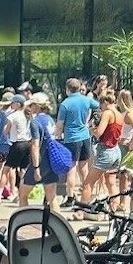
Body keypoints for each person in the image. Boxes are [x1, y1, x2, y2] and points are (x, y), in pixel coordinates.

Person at [57, 77, 97, 206]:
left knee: (71, 168)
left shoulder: (65, 104)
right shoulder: (86, 100)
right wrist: (92, 123)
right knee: (84, 167)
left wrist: (58, 136)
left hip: (71, 138)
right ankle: (87, 194)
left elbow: (60, 124)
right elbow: (98, 106)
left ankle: (70, 197)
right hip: (85, 136)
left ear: (67, 89)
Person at [0, 94, 31, 201]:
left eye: (12, 103)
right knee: (23, 170)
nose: (11, 104)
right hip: (26, 144)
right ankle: (23, 192)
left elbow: (6, 131)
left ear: (17, 104)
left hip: (17, 144)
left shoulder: (13, 116)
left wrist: (4, 128)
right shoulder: (27, 115)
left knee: (6, 169)